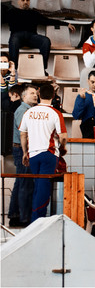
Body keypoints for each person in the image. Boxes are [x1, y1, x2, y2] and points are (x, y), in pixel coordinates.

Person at [19, 81, 67, 222]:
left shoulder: (29, 112)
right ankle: (38, 220)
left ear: (39, 94)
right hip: (49, 153)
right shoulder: (55, 113)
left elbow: (23, 134)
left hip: (33, 154)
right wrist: (62, 148)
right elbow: (63, 136)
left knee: (37, 186)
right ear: (53, 95)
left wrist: (24, 152)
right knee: (44, 188)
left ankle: (36, 219)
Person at [1, 0, 75, 72]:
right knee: (14, 40)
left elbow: (47, 21)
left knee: (45, 40)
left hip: (32, 37)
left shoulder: (34, 13)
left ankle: (42, 69)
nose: (25, 2)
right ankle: (13, 70)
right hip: (17, 36)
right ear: (18, 2)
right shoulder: (12, 12)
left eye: (27, 0)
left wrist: (66, 24)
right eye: (23, 0)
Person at [8, 83, 35, 227]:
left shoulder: (28, 110)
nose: (35, 95)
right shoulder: (22, 110)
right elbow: (23, 132)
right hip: (21, 149)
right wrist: (26, 152)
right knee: (25, 183)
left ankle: (15, 215)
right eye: (32, 93)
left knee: (21, 183)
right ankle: (23, 218)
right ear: (24, 96)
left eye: (36, 93)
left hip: (22, 148)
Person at [1, 52, 19, 156]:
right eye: (1, 62)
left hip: (8, 101)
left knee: (13, 99)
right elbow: (3, 89)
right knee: (5, 97)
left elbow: (13, 90)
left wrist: (12, 73)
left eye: (5, 62)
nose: (3, 64)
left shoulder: (13, 72)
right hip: (3, 99)